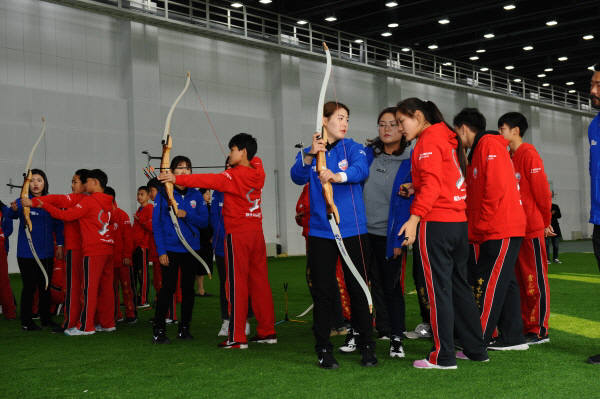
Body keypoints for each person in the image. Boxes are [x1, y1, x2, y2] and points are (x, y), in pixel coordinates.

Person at [159, 133, 276, 349]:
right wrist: (249, 158)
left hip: (238, 236)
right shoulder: (258, 170)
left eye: (232, 150)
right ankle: (268, 331)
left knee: (235, 284)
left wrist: (176, 178)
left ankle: (237, 337)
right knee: (260, 283)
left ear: (242, 152)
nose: (229, 154)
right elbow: (255, 160)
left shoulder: (232, 176)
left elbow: (207, 180)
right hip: (256, 235)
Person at [396, 98, 488, 369]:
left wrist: (414, 219)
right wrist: (416, 185)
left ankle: (444, 356)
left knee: (439, 291)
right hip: (458, 223)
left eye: (402, 121)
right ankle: (475, 349)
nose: (401, 128)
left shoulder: (428, 140)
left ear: (419, 116)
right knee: (460, 287)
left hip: (436, 223)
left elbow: (434, 183)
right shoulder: (446, 137)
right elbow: (442, 178)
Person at [290, 102, 376, 369]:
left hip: (353, 231)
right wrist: (309, 156)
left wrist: (337, 176)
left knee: (358, 289)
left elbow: (361, 170)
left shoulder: (352, 147)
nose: (344, 123)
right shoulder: (313, 150)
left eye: (347, 119)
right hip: (321, 231)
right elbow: (297, 176)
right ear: (323, 121)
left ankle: (367, 347)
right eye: (339, 118)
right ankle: (324, 348)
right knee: (324, 292)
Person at [453, 108, 528, 351]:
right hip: (497, 227)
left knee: (489, 282)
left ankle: (477, 339)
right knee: (505, 283)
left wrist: (481, 227)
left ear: (463, 128)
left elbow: (494, 191)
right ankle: (512, 336)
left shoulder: (488, 145)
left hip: (500, 227)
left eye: (456, 132)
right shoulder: (481, 149)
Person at [33, 169, 115, 335]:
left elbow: (67, 215)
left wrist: (41, 203)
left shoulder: (88, 200)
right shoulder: (109, 201)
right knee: (103, 288)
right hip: (107, 247)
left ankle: (85, 325)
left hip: (92, 249)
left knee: (88, 288)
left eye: (78, 181)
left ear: (93, 183)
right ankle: (107, 322)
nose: (76, 185)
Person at [499, 112, 553, 344]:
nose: (500, 133)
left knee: (534, 280)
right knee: (519, 281)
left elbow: (542, 192)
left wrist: (545, 221)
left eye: (502, 129)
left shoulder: (528, 154)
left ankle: (538, 329)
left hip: (531, 229)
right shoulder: (507, 156)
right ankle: (523, 324)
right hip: (514, 229)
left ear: (515, 131)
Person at [362, 106, 412, 358]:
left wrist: (399, 239)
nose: (386, 129)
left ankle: (395, 337)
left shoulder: (412, 160)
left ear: (402, 129)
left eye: (392, 124)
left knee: (391, 288)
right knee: (361, 286)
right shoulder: (367, 154)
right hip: (362, 233)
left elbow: (410, 203)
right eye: (382, 124)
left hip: (390, 236)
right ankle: (360, 333)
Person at [152, 155, 209, 344]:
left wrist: (186, 214)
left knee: (188, 289)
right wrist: (161, 251)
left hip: (191, 249)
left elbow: (204, 221)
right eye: (180, 167)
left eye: (188, 168)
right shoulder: (164, 193)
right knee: (167, 289)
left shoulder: (195, 194)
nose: (184, 171)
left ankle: (184, 327)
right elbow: (157, 224)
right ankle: (158, 330)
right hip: (170, 249)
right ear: (171, 171)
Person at [25, 169, 88, 332]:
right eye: (32, 181)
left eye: (75, 182)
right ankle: (82, 321)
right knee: (77, 286)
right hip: (38, 251)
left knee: (73, 287)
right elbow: (12, 212)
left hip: (73, 250)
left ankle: (73, 322)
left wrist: (40, 203)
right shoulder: (84, 199)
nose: (72, 185)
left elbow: (62, 215)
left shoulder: (81, 199)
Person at [8, 169, 64, 331]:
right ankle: (26, 321)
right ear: (27, 184)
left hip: (46, 252)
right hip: (26, 253)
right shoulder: (22, 200)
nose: (35, 183)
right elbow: (10, 214)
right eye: (32, 180)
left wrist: (60, 244)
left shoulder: (50, 202)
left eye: (39, 180)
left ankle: (46, 319)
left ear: (45, 182)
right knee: (29, 287)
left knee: (45, 287)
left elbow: (59, 224)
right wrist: (13, 209)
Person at [104, 187, 136, 324]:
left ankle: (131, 314)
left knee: (127, 288)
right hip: (107, 261)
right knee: (111, 290)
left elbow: (128, 238)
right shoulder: (101, 215)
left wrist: (127, 255)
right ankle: (116, 315)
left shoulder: (122, 215)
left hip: (123, 260)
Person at [587, 61, 600, 365]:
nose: (592, 90)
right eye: (592, 85)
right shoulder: (594, 125)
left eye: (598, 85)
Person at [132, 186, 153, 308]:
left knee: (143, 273)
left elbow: (151, 227)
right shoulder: (140, 209)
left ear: (148, 196)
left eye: (142, 194)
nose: (139, 197)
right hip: (136, 246)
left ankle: (144, 300)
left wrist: (140, 220)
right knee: (136, 272)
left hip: (143, 246)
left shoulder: (149, 208)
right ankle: (137, 298)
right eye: (138, 194)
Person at [0, 200, 16, 320]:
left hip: (2, 248)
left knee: (3, 280)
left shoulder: (5, 210)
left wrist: (2, 237)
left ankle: (10, 310)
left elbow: (9, 229)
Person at [546, 195, 562, 264]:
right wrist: (550, 213)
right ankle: (547, 259)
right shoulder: (544, 206)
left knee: (556, 245)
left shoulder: (555, 206)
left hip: (555, 228)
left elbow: (559, 216)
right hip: (546, 227)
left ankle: (555, 258)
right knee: (546, 245)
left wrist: (554, 213)